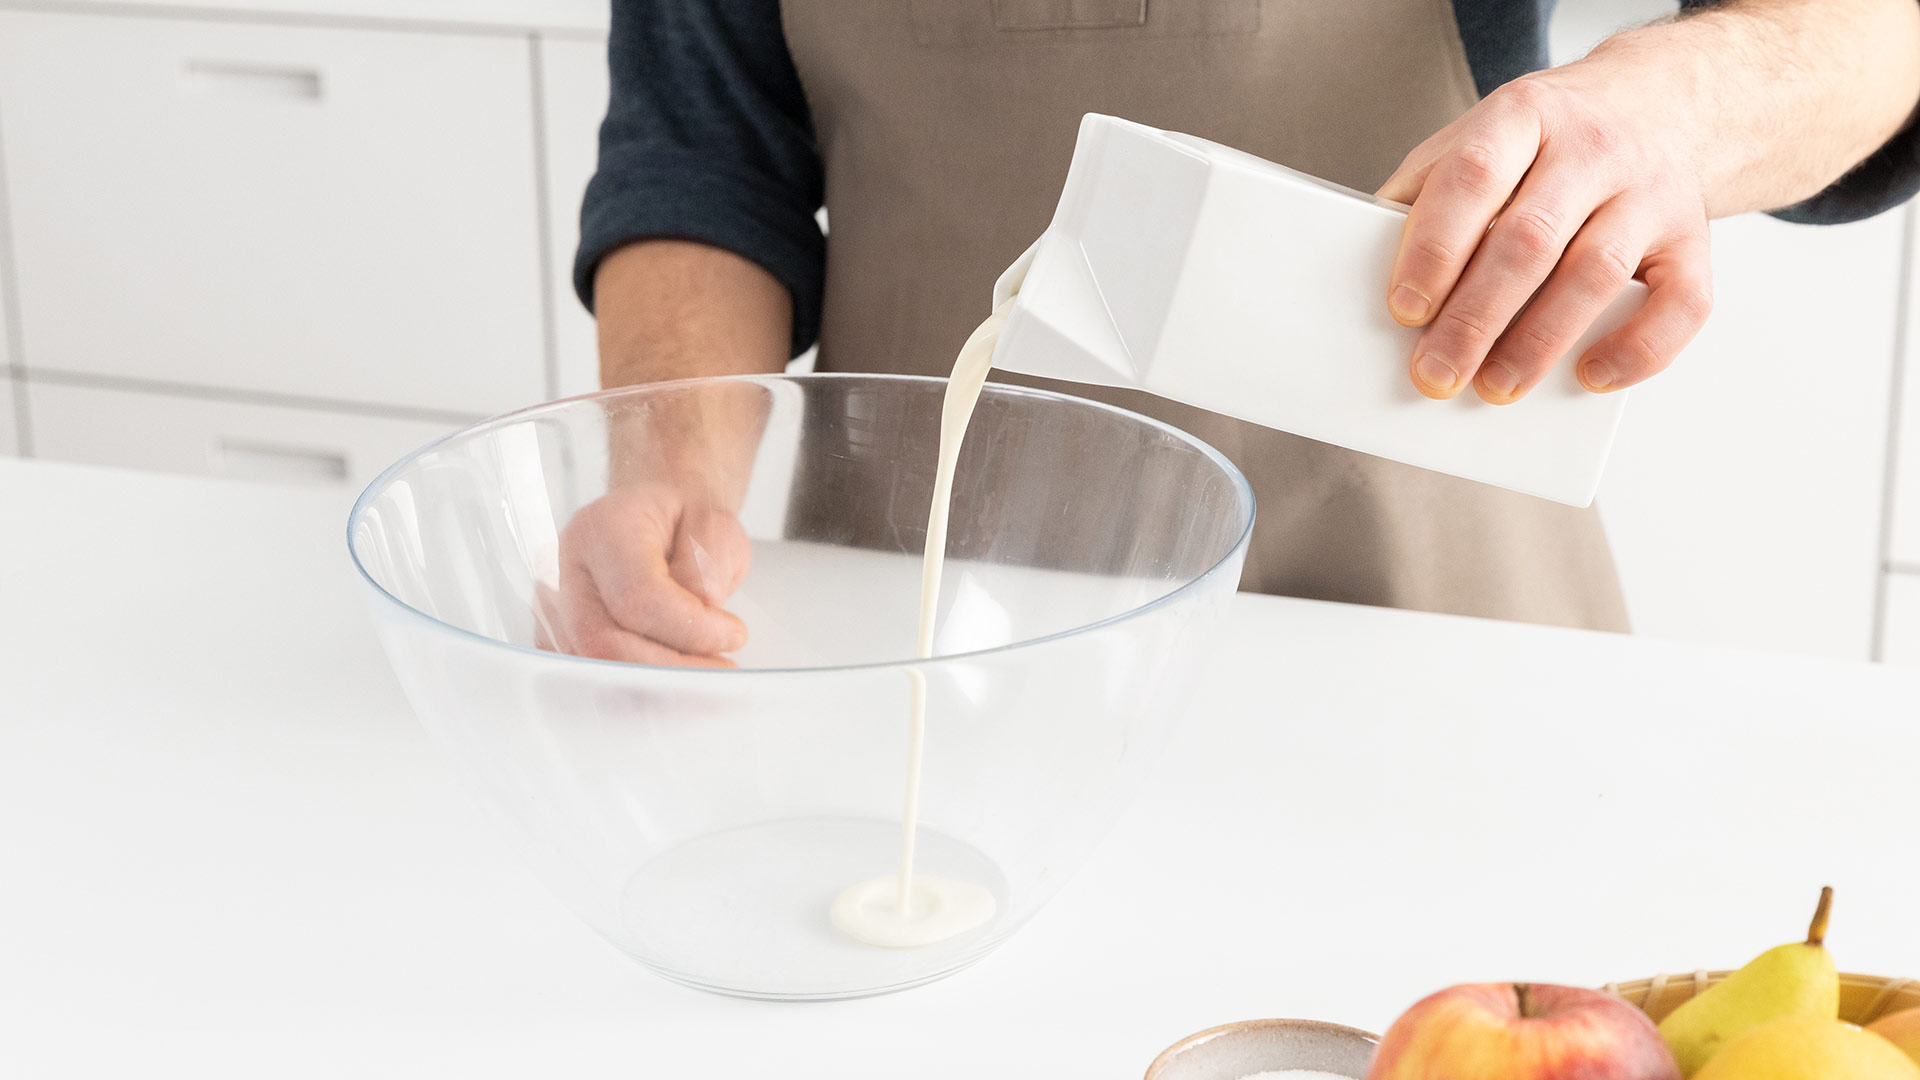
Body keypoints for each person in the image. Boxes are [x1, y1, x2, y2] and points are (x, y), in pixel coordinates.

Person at [550, 0, 1920, 667]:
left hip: (1417, 630)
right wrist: (671, 478)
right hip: (925, 646)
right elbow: (705, 150)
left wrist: (1669, 112)